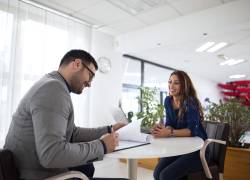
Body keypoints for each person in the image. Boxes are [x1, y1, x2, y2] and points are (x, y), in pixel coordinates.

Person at [4, 49, 126, 180]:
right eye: (90, 75)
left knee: (87, 167)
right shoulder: (53, 89)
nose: (90, 84)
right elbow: (51, 155)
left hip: (29, 169)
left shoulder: (51, 83)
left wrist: (110, 129)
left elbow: (72, 133)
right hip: (38, 174)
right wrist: (102, 146)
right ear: (76, 64)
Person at [151, 70, 208, 180]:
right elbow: (169, 124)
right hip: (180, 148)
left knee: (165, 176)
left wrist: (169, 132)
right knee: (156, 173)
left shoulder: (190, 102)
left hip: (198, 150)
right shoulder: (168, 100)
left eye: (176, 83)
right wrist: (163, 129)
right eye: (170, 82)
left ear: (184, 86)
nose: (171, 86)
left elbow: (192, 131)